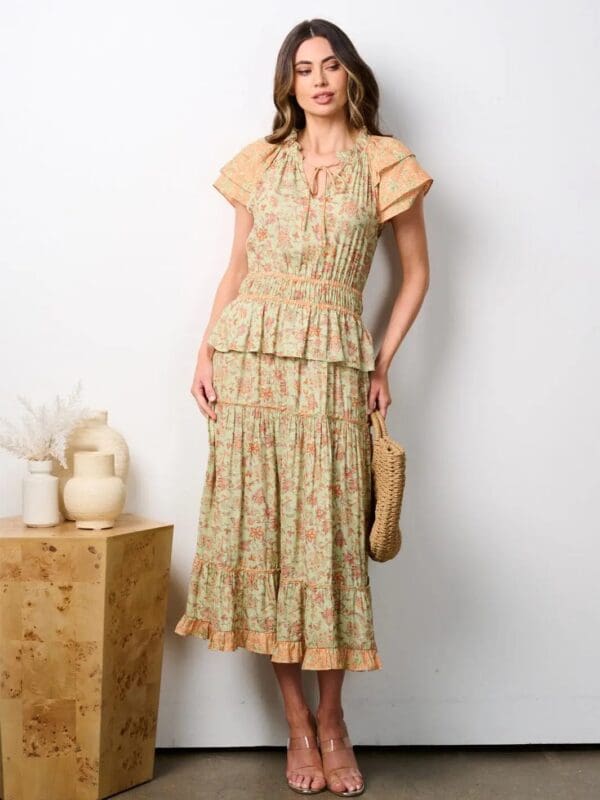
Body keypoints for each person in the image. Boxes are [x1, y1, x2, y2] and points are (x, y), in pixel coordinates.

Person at [174, 17, 433, 797]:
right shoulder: (262, 163)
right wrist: (206, 348)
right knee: (265, 543)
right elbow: (236, 268)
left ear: (350, 76)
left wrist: (381, 363)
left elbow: (415, 273)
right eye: (303, 68)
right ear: (289, 83)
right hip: (250, 363)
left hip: (330, 368)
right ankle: (295, 724)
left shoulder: (386, 163)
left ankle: (334, 720)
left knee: (324, 549)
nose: (318, 79)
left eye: (331, 65)